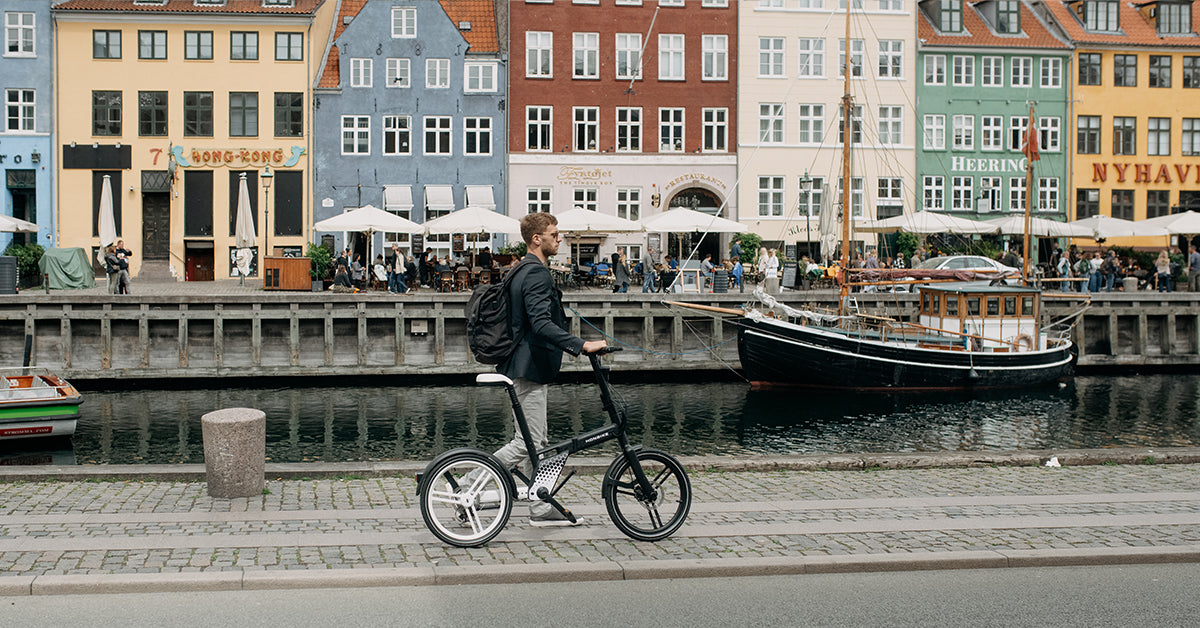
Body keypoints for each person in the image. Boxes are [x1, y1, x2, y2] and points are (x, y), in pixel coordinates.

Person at [494, 212, 606, 526]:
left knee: (533, 443)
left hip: (524, 365)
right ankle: (469, 484)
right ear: (536, 239)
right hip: (528, 367)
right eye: (554, 234)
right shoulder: (536, 274)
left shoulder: (522, 270)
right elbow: (540, 324)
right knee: (525, 442)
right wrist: (580, 345)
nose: (559, 239)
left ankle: (541, 508)